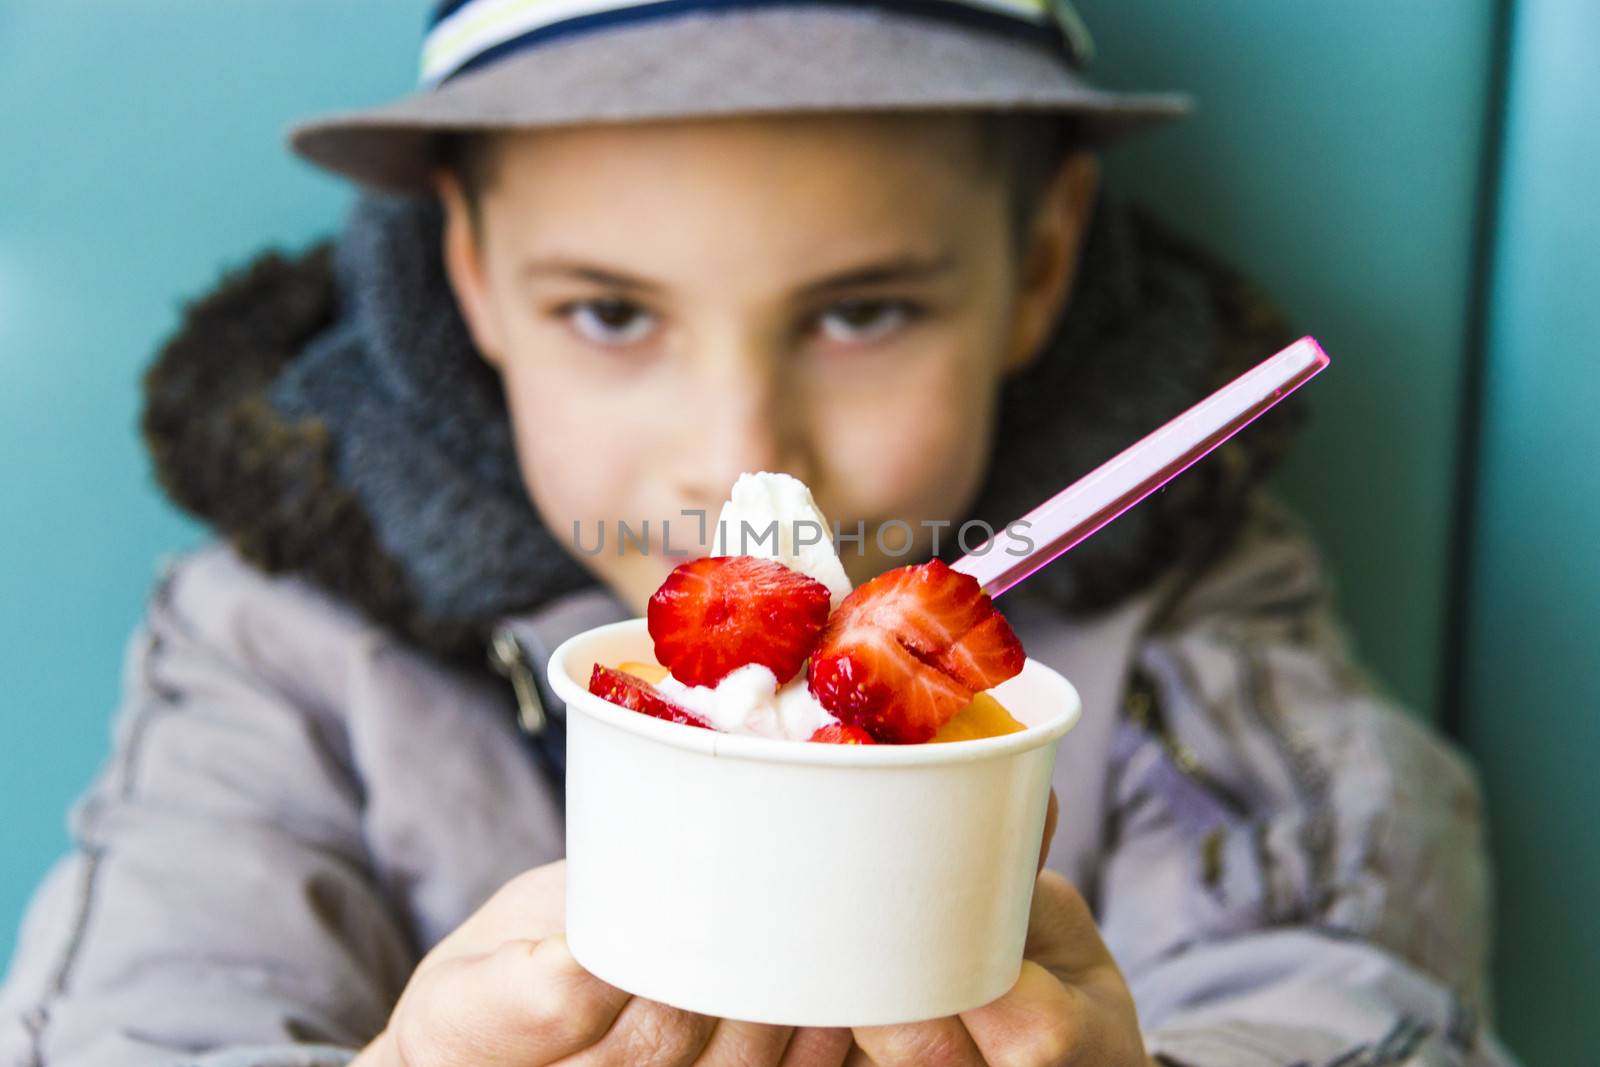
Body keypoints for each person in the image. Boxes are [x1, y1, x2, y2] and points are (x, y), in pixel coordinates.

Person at [0, 2, 1518, 1065]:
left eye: (863, 313)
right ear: (469, 276)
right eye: (610, 314)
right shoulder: (276, 645)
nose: (739, 461)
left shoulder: (1193, 626)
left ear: (1042, 262)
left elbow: (1367, 997)